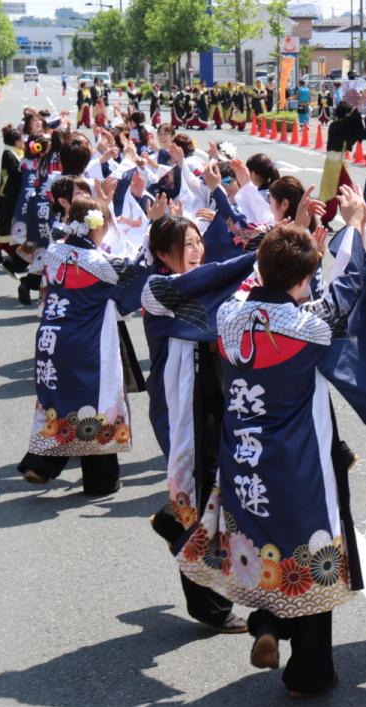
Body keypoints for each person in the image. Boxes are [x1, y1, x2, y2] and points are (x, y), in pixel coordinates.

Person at [177, 222, 366, 699]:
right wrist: (359, 230)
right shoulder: (309, 327)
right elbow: (347, 294)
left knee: (260, 545)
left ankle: (266, 621)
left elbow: (266, 290)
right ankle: (309, 672)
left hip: (242, 458)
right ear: (304, 279)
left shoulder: (229, 317)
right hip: (296, 461)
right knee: (309, 552)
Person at [141, 214, 257, 634]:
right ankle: (209, 606)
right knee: (198, 491)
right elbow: (210, 285)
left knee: (222, 489)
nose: (195, 251)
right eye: (185, 245)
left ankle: (172, 523)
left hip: (219, 399)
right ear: (161, 255)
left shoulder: (208, 287)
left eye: (197, 242)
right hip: (183, 409)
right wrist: (260, 254)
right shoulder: (157, 290)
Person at [16, 195, 150, 495]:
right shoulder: (99, 263)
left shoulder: (54, 252)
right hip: (87, 341)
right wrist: (151, 232)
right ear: (97, 226)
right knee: (95, 404)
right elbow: (138, 272)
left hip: (52, 338)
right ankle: (99, 480)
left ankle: (40, 463)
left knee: (58, 401)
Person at [0, 125, 25, 263]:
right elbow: (15, 172)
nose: (24, 141)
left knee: (13, 223)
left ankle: (9, 247)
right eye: (21, 139)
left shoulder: (16, 152)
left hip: (15, 193)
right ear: (15, 141)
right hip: (8, 194)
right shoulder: (8, 154)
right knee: (5, 223)